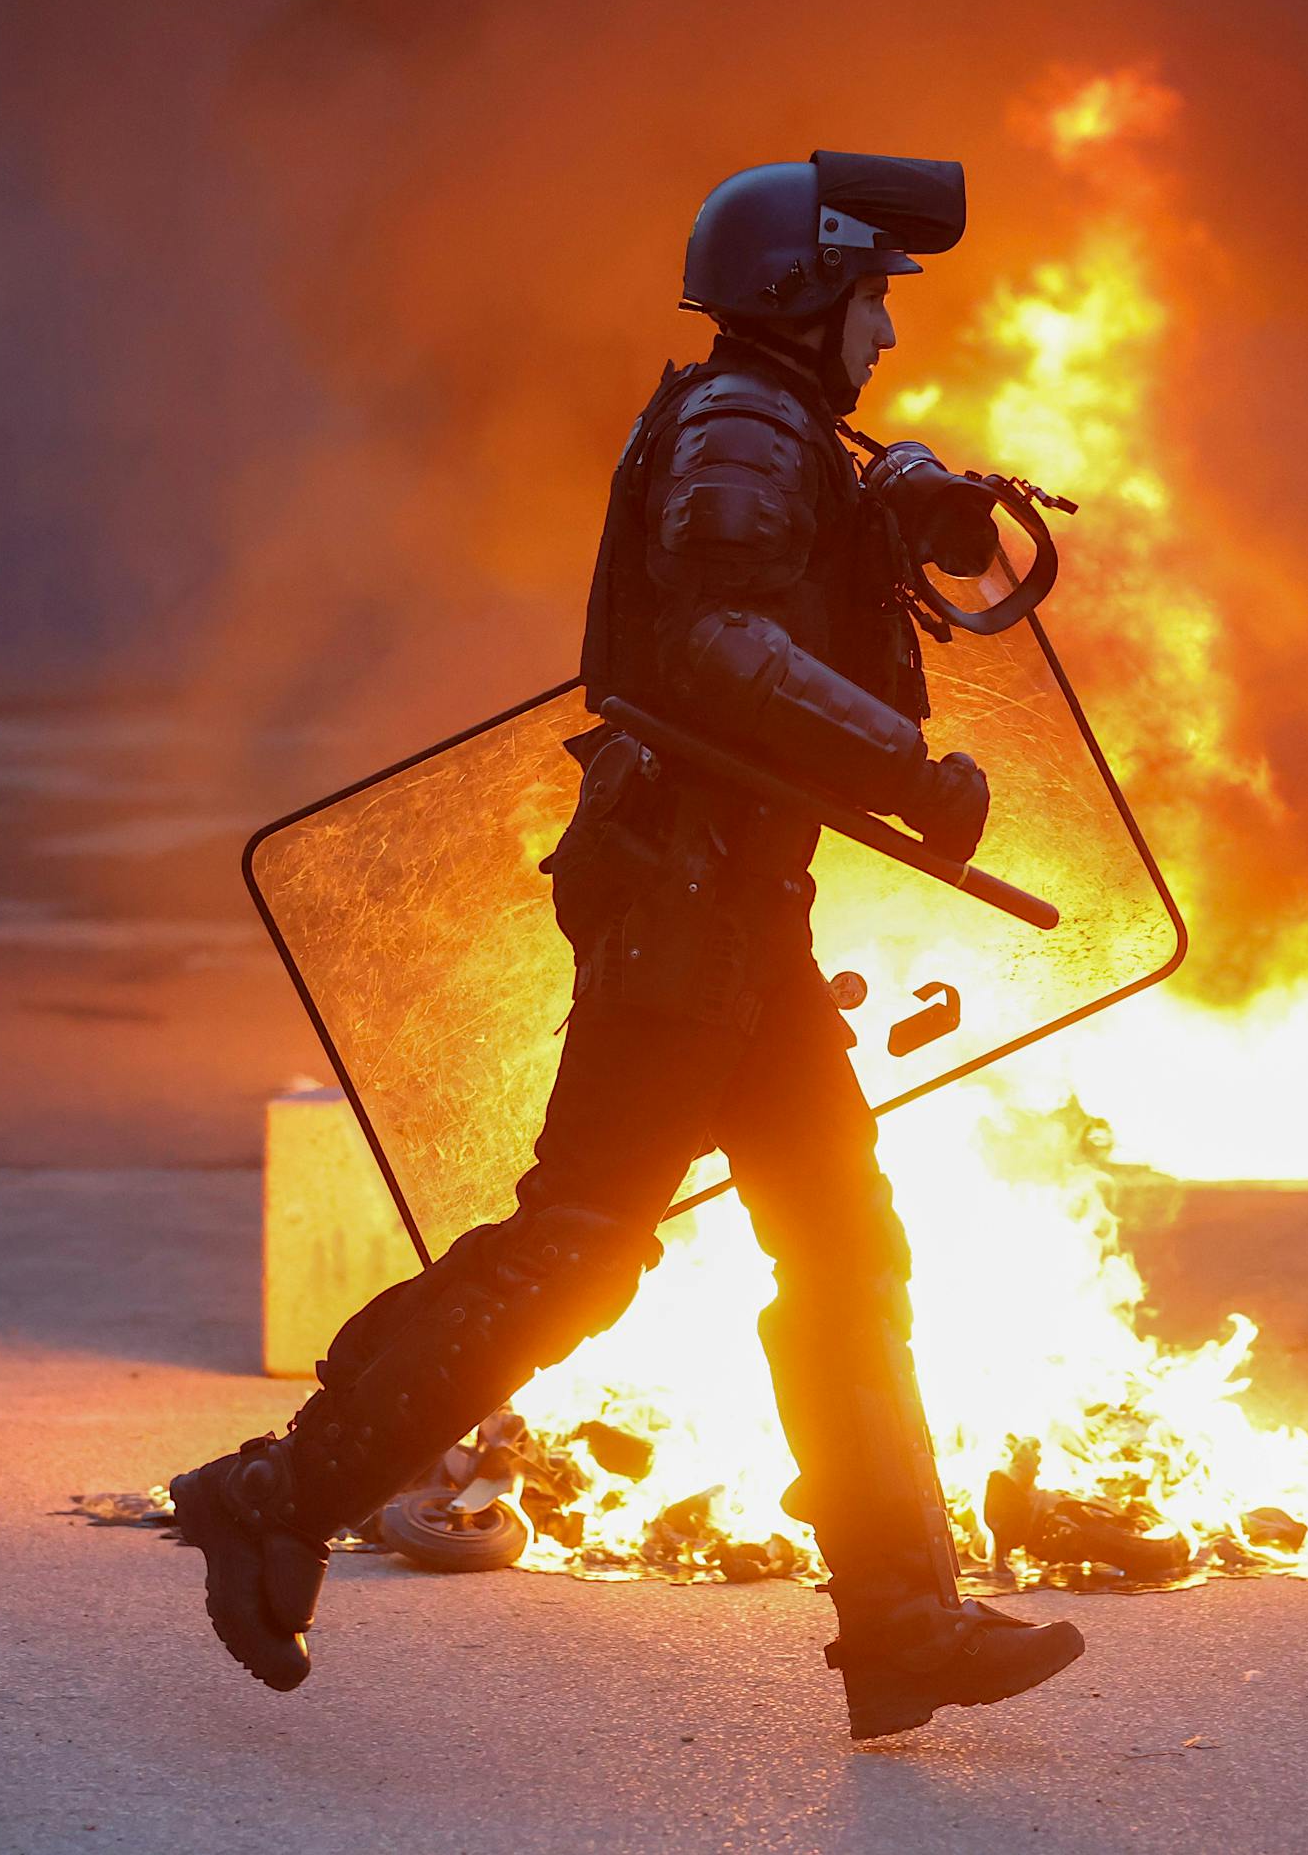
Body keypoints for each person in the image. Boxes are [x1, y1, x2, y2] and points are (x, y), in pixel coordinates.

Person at [171, 151, 1085, 1742]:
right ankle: (277, 1497)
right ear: (804, 297)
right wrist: (907, 767)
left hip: (739, 911)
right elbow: (717, 640)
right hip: (684, 909)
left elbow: (794, 545)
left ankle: (899, 1622)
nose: (885, 334)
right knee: (587, 1244)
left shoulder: (777, 424)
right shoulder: (743, 423)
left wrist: (911, 496)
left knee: (843, 1247)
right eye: (871, 301)